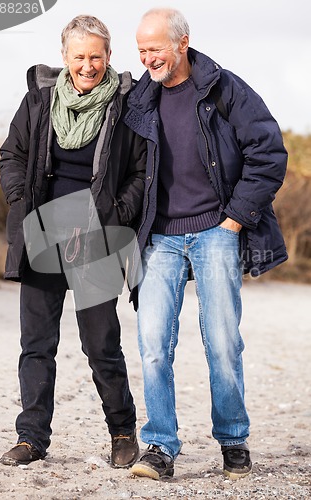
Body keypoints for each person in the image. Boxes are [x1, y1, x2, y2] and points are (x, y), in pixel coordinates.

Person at [123, 8, 288, 480]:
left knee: (222, 341)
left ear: (182, 43)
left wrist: (236, 219)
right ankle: (159, 447)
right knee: (153, 343)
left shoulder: (224, 88)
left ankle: (234, 440)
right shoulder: (139, 97)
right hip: (160, 238)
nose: (147, 58)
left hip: (217, 230)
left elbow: (269, 151)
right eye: (141, 50)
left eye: (155, 48)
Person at [0, 15, 146, 468]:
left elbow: (141, 172)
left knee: (101, 342)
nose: (88, 65)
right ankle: (31, 439)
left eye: (96, 56)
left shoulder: (127, 105)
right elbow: (13, 155)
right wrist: (23, 202)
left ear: (108, 56)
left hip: (97, 239)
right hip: (43, 234)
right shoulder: (40, 101)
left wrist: (113, 216)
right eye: (79, 56)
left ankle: (122, 432)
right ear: (65, 57)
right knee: (36, 343)